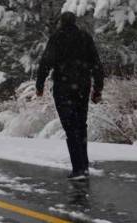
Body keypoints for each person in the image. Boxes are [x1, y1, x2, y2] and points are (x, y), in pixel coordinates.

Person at [36, 11, 104, 180]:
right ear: (75, 22)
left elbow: (46, 62)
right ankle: (84, 166)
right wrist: (97, 88)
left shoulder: (57, 38)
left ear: (61, 22)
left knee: (70, 127)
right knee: (81, 125)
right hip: (83, 86)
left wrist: (40, 85)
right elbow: (96, 63)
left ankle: (78, 168)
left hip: (63, 87)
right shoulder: (85, 38)